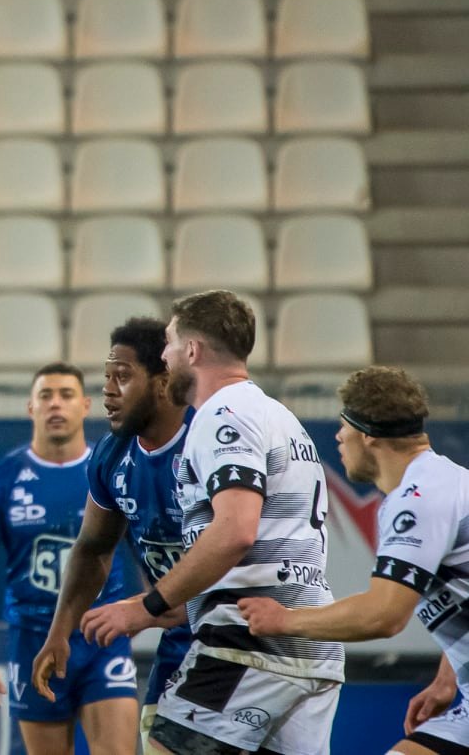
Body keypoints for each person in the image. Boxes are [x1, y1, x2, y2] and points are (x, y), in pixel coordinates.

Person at [80, 291, 341, 755]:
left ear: (193, 352)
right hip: (308, 644)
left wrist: (148, 605)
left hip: (248, 642)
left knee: (164, 745)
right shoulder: (279, 416)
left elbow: (236, 530)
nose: (165, 355)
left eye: (170, 344)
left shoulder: (225, 414)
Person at [238, 366, 469, 755]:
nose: (338, 436)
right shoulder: (443, 482)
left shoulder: (417, 500)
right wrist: (448, 679)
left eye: (343, 424)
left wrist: (285, 620)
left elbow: (383, 615)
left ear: (367, 435)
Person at [0, 362, 138, 755]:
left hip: (100, 634)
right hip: (32, 639)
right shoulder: (0, 481)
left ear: (85, 405)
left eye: (66, 395)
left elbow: (149, 544)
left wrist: (149, 608)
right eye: (46, 396)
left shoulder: (111, 471)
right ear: (31, 408)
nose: (56, 405)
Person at [32, 317, 194, 744]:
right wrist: (59, 632)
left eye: (122, 376)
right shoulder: (112, 454)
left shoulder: (208, 439)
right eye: (106, 376)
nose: (107, 389)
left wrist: (145, 607)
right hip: (181, 640)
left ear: (163, 381)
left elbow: (238, 547)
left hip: (246, 633)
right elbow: (92, 549)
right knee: (157, 739)